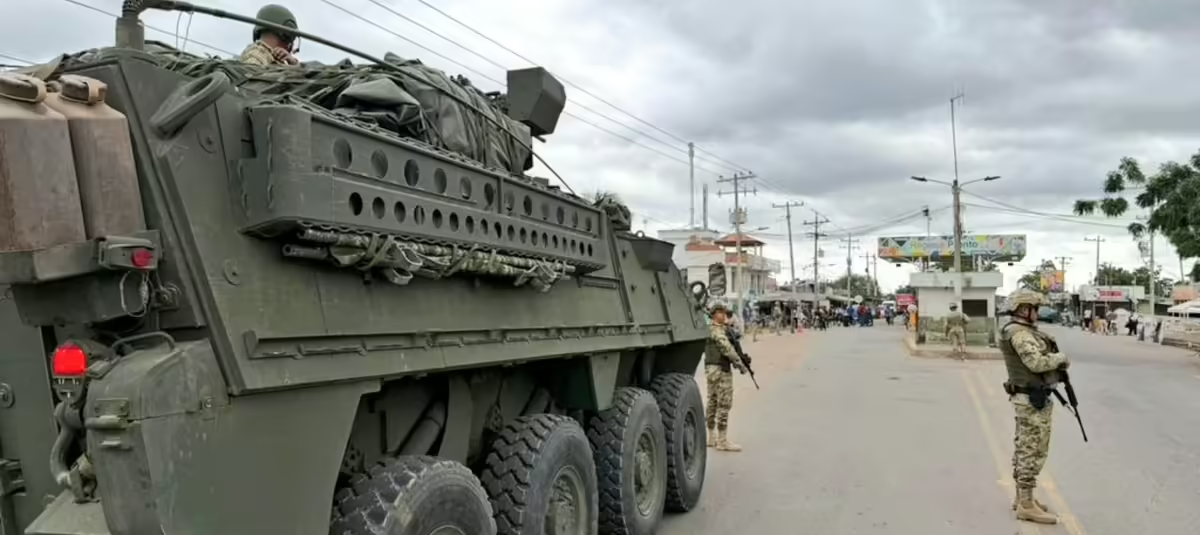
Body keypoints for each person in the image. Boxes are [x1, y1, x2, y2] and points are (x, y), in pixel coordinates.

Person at [1000, 288, 1069, 525]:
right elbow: (1036, 363)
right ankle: (1026, 505)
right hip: (1030, 400)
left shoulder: (1021, 330)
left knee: (1026, 447)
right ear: (1023, 309)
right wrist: (1061, 358)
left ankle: (1023, 498)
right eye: (1034, 309)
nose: (1037, 313)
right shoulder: (1019, 334)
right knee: (1031, 449)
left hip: (1031, 398)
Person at [704, 302, 747, 452]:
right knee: (724, 404)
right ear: (715, 314)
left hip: (711, 369)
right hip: (721, 369)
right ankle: (722, 441)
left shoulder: (712, 329)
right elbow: (727, 349)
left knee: (712, 402)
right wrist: (740, 365)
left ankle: (711, 437)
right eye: (721, 313)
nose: (724, 315)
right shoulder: (717, 331)